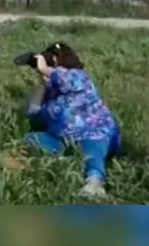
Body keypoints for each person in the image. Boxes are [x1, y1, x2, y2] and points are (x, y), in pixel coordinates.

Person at [24, 42, 121, 198]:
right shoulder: (51, 90)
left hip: (94, 134)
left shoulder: (78, 76)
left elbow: (66, 80)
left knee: (92, 148)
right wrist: (42, 84)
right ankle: (67, 160)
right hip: (64, 139)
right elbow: (32, 110)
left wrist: (45, 68)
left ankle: (94, 182)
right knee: (32, 138)